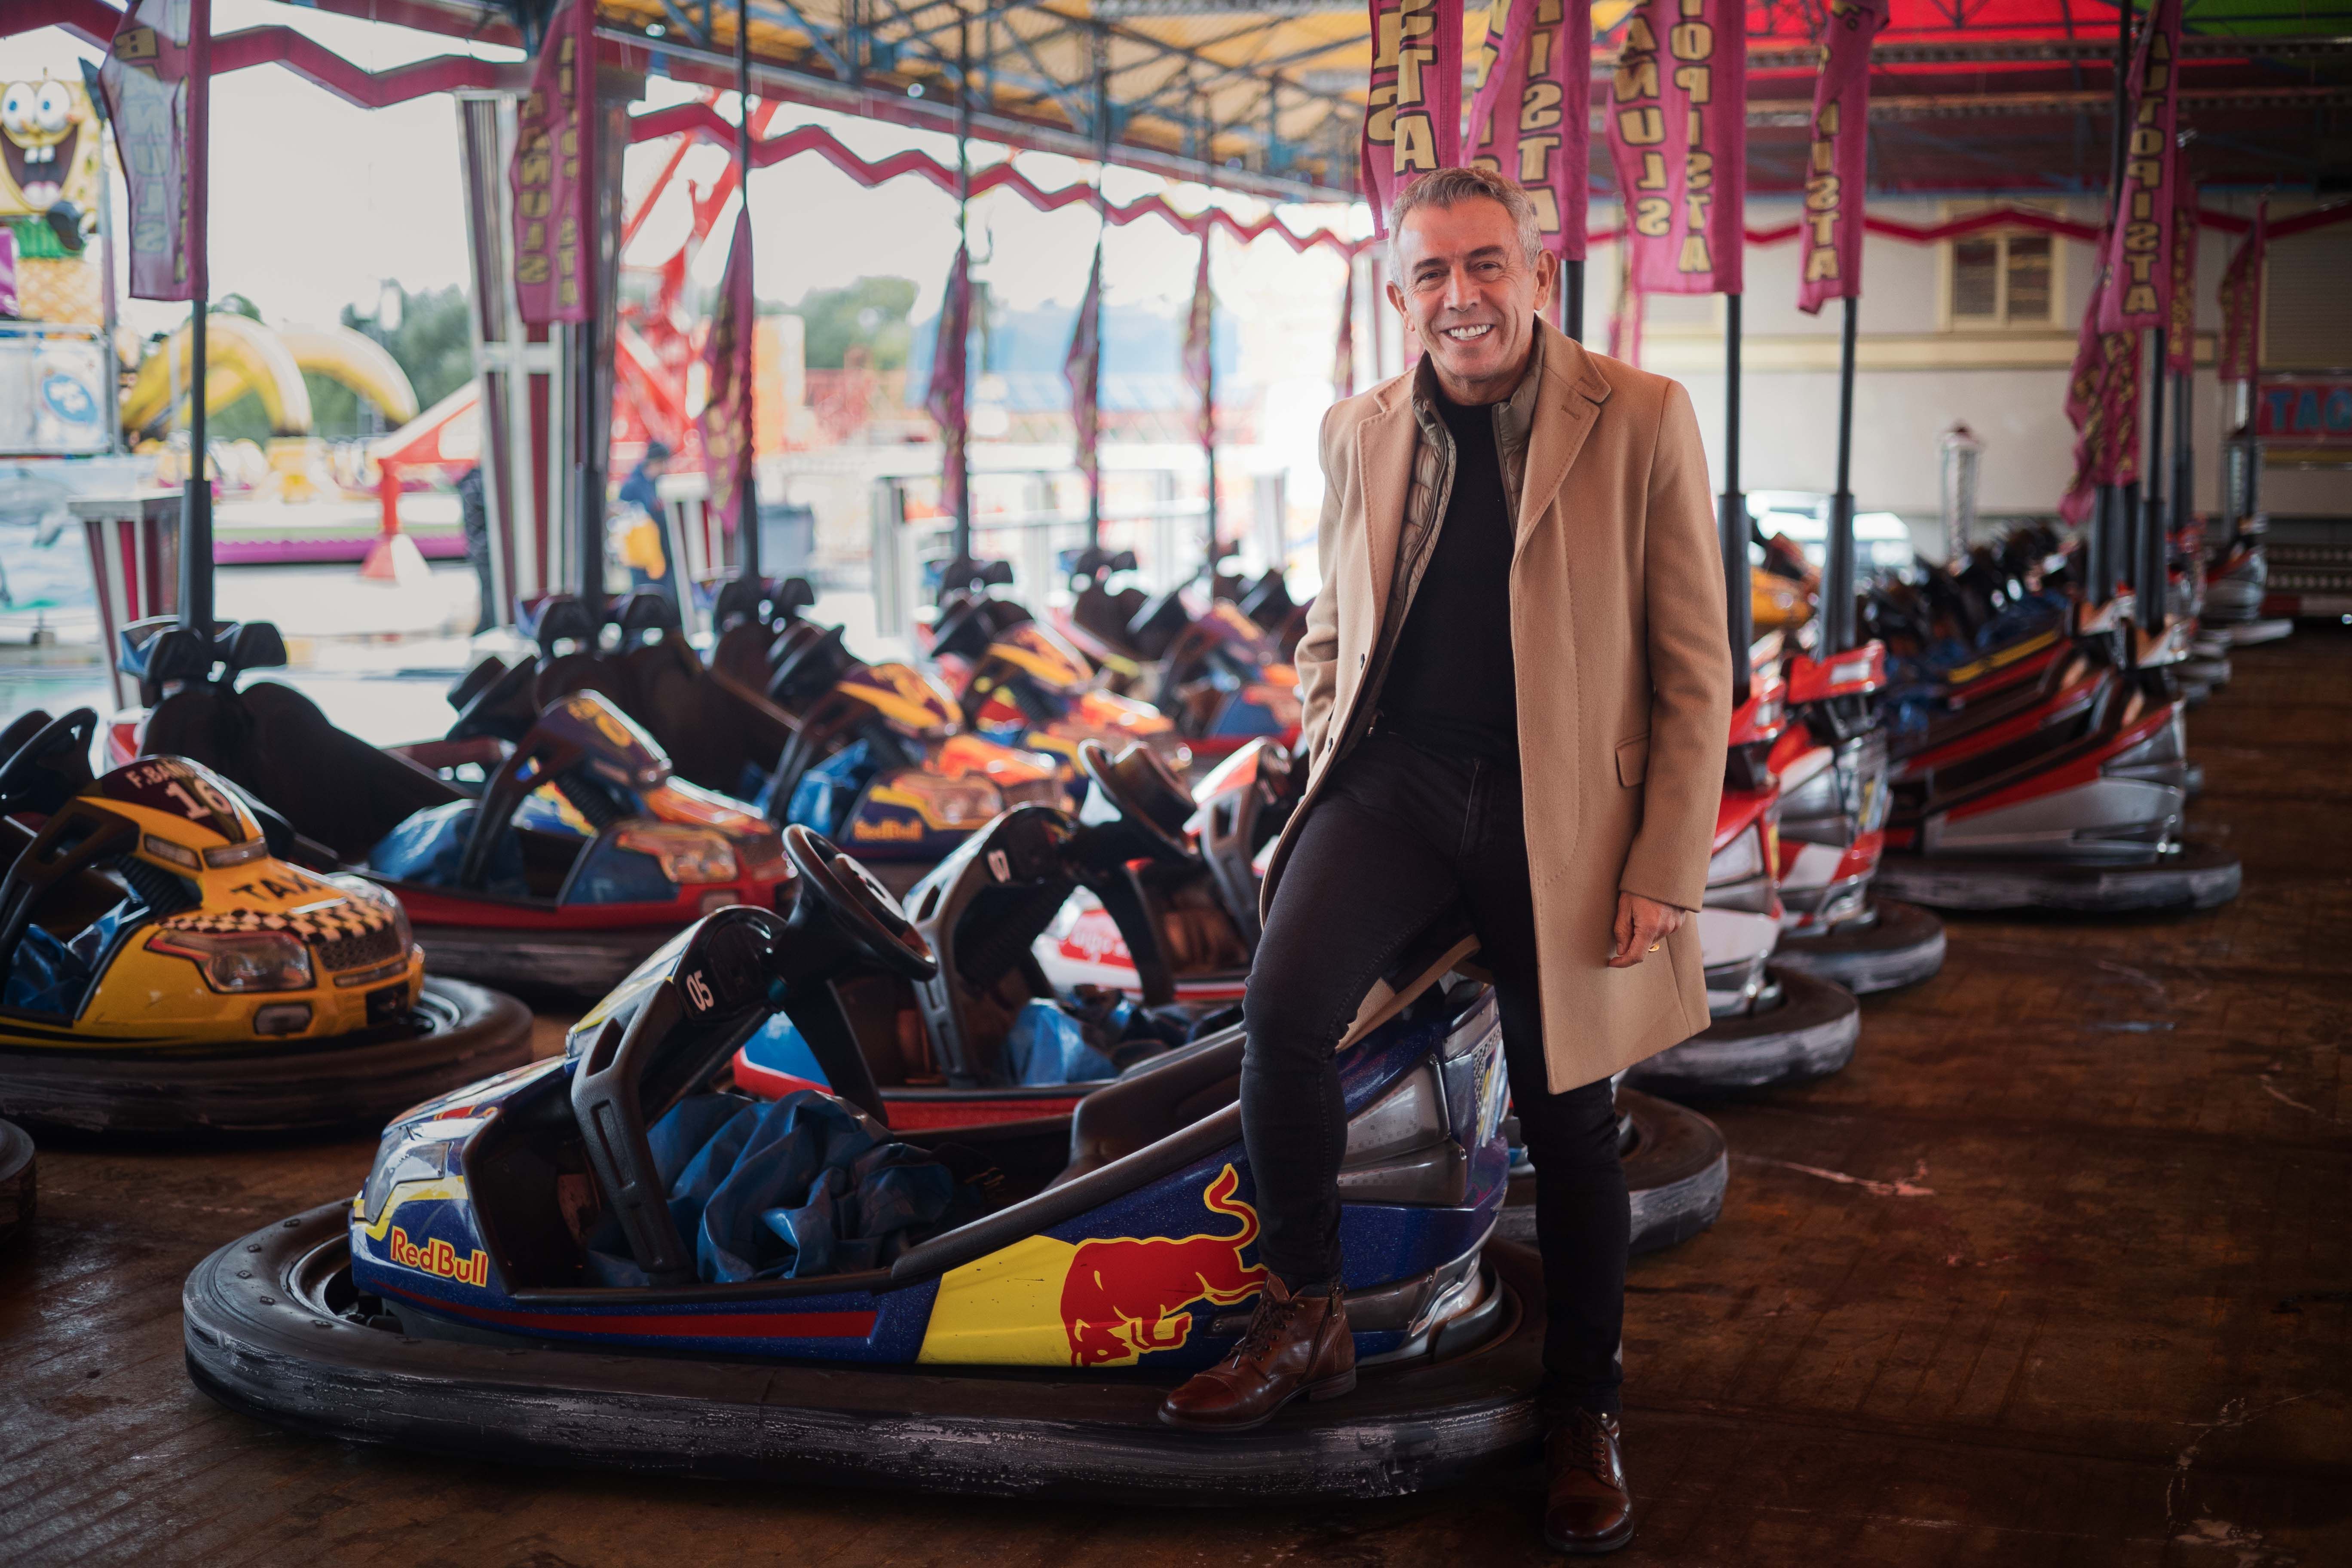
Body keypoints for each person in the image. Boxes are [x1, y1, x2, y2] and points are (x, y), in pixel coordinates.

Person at [1158, 167, 1731, 1556]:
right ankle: (1307, 1310)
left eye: (1486, 266)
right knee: (1281, 1014)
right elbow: (1327, 621)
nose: (1460, 296)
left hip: (1567, 810)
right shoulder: (1358, 428)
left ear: (1539, 275)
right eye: (1430, 274)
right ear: (1400, 292)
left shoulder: (1642, 417)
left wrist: (1665, 858)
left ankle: (1581, 1409)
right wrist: (1321, 718)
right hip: (1399, 783)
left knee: (1569, 1114)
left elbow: (1696, 664)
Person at [615, 441, 675, 610]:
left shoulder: (653, 483)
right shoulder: (632, 487)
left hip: (660, 557)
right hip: (642, 561)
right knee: (645, 603)